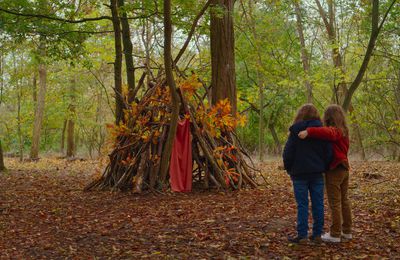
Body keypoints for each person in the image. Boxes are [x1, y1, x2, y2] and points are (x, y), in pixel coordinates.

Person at [298, 104, 352, 243]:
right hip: (345, 168)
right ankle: (347, 231)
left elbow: (329, 133)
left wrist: (309, 131)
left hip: (335, 169)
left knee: (335, 202)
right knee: (344, 201)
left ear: (329, 117)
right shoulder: (344, 130)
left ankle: (335, 234)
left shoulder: (336, 131)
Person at [283, 104, 332, 244]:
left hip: (299, 174)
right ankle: (317, 234)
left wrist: (289, 168)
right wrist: (324, 167)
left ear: (300, 114)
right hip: (317, 173)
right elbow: (328, 152)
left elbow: (288, 153)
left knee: (302, 205)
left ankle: (303, 235)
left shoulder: (295, 131)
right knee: (318, 203)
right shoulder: (322, 131)